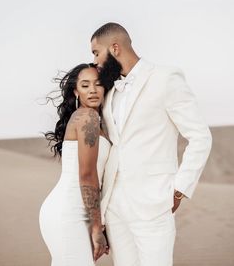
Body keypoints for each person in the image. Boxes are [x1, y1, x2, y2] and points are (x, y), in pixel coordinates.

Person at [90, 22, 212, 266]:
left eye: (96, 52)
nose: (94, 61)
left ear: (114, 48)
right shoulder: (111, 91)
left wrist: (179, 188)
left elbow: (200, 136)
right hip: (115, 208)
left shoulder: (165, 78)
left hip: (154, 203)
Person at [39, 63, 110, 266]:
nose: (93, 90)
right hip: (68, 212)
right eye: (85, 85)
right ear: (76, 91)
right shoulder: (87, 117)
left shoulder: (97, 120)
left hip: (81, 212)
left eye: (98, 84)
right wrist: (97, 227)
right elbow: (87, 174)